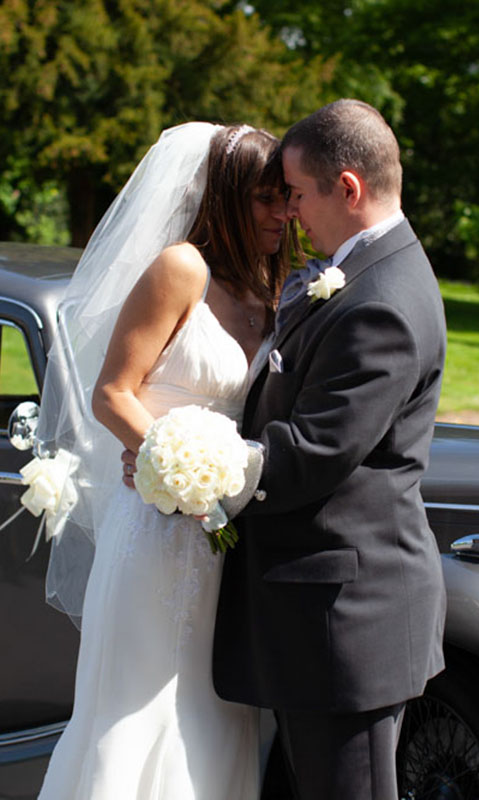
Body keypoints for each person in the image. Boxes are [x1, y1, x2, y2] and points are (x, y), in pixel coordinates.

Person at [36, 121, 292, 800]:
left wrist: (221, 481)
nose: (281, 214)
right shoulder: (181, 268)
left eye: (285, 197)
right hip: (156, 523)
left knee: (217, 712)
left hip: (228, 532)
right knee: (141, 705)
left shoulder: (269, 281)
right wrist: (169, 460)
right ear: (228, 198)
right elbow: (112, 392)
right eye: (266, 199)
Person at [213, 99, 447, 800]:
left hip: (345, 620)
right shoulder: (366, 272)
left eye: (297, 194)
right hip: (319, 616)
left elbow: (315, 450)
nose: (288, 213)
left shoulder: (382, 300)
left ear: (347, 188)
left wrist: (192, 468)